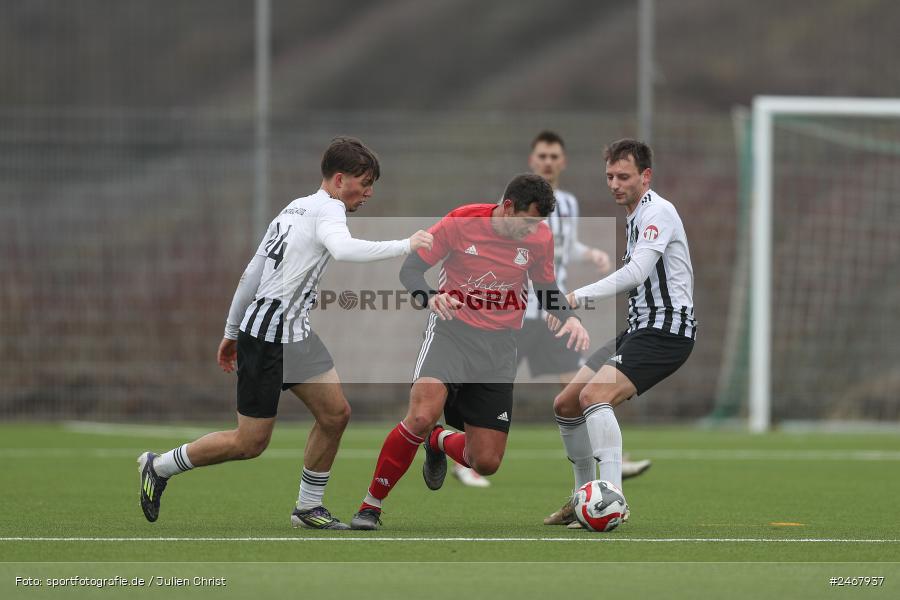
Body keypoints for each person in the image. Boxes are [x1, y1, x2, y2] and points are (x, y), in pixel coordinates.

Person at [137, 137, 433, 530]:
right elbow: (342, 250)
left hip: (294, 333)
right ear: (340, 179)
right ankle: (159, 466)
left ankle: (308, 508)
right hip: (267, 337)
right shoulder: (328, 210)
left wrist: (230, 330)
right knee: (250, 443)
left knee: (336, 414)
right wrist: (405, 244)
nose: (369, 192)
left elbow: (252, 273)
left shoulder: (295, 208)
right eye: (364, 182)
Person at [349, 173, 590, 530]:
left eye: (537, 224)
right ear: (507, 207)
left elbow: (545, 286)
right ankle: (370, 506)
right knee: (420, 414)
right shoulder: (462, 221)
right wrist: (430, 297)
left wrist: (569, 318)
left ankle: (438, 439)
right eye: (527, 222)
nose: (532, 231)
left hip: (499, 348)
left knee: (486, 461)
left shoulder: (539, 237)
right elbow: (411, 270)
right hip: (451, 335)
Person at [454, 131, 650, 489]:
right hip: (512, 314)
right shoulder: (512, 203)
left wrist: (588, 254)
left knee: (577, 388)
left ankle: (606, 457)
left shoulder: (569, 205)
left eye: (554, 156)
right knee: (486, 386)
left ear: (563, 162)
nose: (548, 161)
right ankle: (466, 459)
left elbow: (565, 246)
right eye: (542, 155)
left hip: (551, 315)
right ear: (532, 160)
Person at [543, 138, 696, 528]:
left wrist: (576, 296)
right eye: (610, 176)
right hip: (640, 329)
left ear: (646, 176)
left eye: (624, 176)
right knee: (567, 403)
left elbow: (636, 273)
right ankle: (583, 499)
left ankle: (610, 500)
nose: (615, 183)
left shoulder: (658, 211)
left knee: (595, 396)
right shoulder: (635, 215)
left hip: (667, 331)